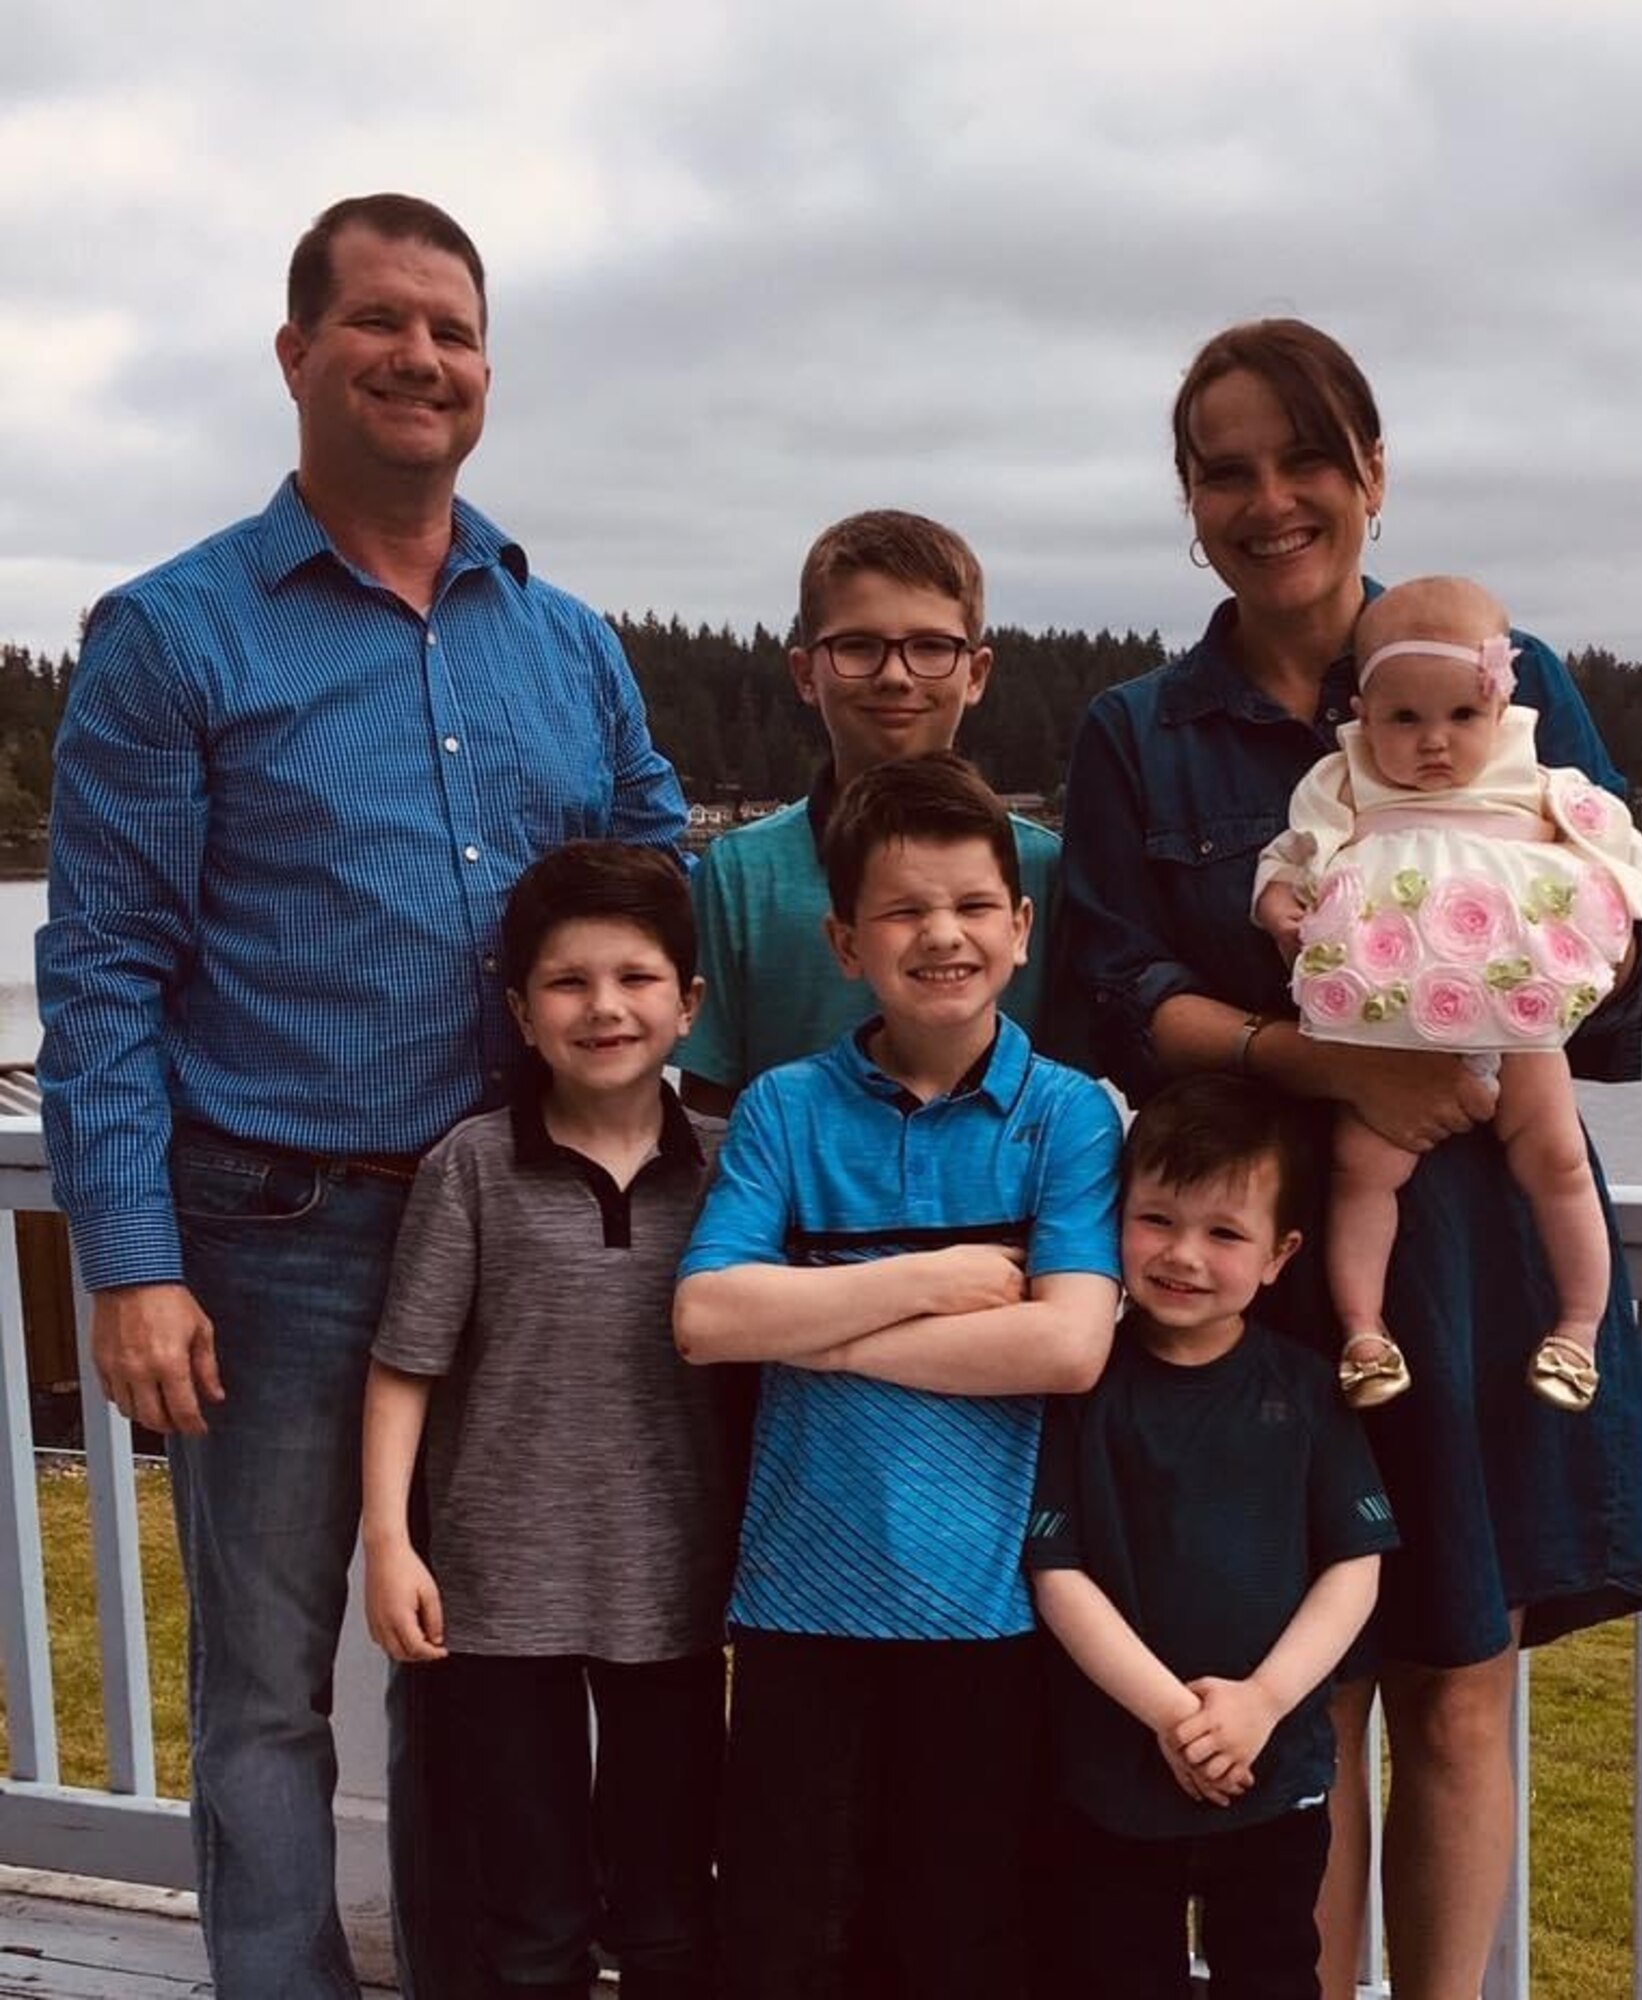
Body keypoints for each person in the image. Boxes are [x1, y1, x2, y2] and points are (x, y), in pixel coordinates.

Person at [34, 194, 689, 1998]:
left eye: (456, 331)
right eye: (382, 323)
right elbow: (98, 968)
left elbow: (648, 863)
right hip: (279, 1233)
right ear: (296, 353)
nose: (423, 358)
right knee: (265, 1682)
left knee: (473, 1671)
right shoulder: (177, 637)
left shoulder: (558, 638)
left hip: (534, 1230)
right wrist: (130, 1255)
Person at [1057, 317, 1642, 2000]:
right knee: (1295, 1695)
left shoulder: (1503, 672)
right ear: (1190, 503)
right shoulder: (1140, 730)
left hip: (1477, 1250)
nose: (1272, 501)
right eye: (1227, 471)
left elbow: (1624, 953)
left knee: (1461, 1679)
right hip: (1256, 1282)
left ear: (1373, 475)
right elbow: (1107, 987)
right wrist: (1308, 1060)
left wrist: (1462, 1031)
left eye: (1306, 460)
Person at [673, 751, 1123, 1999]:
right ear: (842, 940)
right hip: (796, 1599)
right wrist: (941, 1277)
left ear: (1020, 927)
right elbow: (709, 1316)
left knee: (962, 1932)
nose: (941, 935)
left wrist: (812, 1321)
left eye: (973, 905)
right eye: (902, 910)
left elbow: (1065, 1343)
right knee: (781, 1932)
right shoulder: (784, 1108)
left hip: (988, 1604)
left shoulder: (1067, 1114)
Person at [361, 843, 736, 2000]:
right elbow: (403, 1369)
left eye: (635, 976)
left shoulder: (734, 1167)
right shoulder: (470, 1167)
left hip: (675, 1584)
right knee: (529, 1917)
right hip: (496, 1594)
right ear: (521, 1012)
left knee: (671, 1904)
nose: (605, 1006)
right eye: (569, 982)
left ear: (689, 1001)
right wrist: (390, 1542)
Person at [1253, 575, 1642, 1414]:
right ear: (1364, 711)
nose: (1435, 743)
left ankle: (1577, 1329)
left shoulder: (1536, 778)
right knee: (1362, 1172)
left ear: (1498, 710)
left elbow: (1613, 839)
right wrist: (1277, 901)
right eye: (1405, 720)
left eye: (1462, 718)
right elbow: (1292, 853)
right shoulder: (1346, 780)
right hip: (1392, 1026)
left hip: (1522, 1016)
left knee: (1558, 1161)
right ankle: (1364, 1330)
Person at [1025, 1074, 1398, 2000]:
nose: (1184, 1255)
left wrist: (1261, 1704)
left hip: (1272, 1764)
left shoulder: (1310, 1393)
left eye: (1225, 1233)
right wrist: (1173, 1718)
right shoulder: (1080, 1388)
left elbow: (1355, 1565)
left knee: (1271, 1970)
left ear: (1282, 1254)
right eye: (1157, 1220)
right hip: (1113, 1765)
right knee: (1114, 1974)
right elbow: (1058, 1571)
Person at [676, 509, 1062, 1116]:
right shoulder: (739, 875)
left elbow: (1069, 1089)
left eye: (931, 647)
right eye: (857, 647)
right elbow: (709, 1108)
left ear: (977, 673)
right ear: (805, 674)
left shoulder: (1042, 866)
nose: (894, 676)